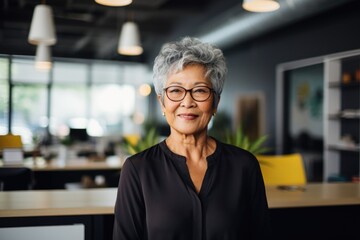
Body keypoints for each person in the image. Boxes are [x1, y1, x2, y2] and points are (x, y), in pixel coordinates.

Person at [113, 36, 271, 240]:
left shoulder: (244, 165)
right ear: (162, 102)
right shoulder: (138, 169)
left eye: (200, 91)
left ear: (215, 103)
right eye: (176, 90)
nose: (187, 102)